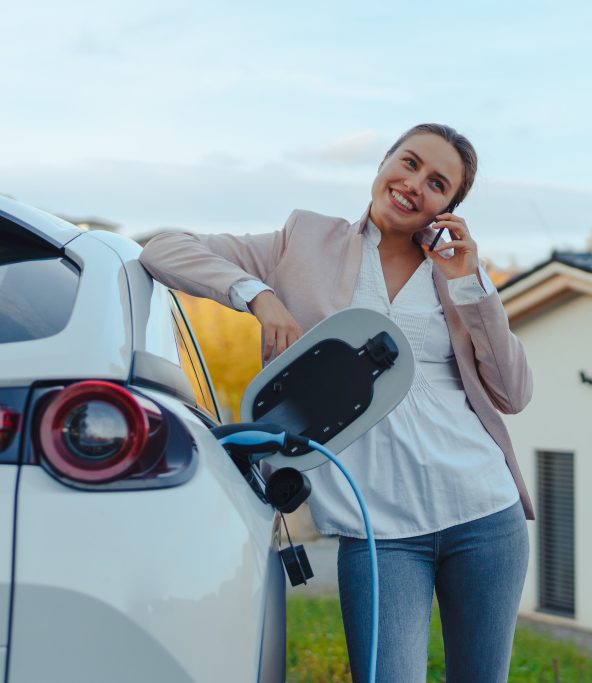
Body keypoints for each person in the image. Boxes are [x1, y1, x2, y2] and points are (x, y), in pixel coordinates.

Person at [139, 123, 534, 682]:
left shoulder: (457, 278)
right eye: (410, 162)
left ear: (447, 209)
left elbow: (514, 393)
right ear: (383, 161)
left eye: (438, 183)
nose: (414, 184)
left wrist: (473, 284)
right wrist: (261, 297)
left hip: (484, 518)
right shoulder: (303, 240)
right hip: (380, 536)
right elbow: (163, 249)